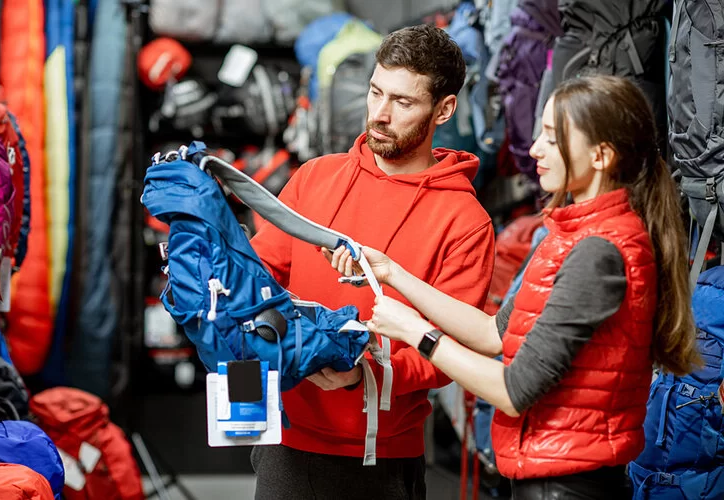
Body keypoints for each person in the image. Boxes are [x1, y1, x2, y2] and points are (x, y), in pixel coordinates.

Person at [328, 75, 701, 499]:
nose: (535, 149)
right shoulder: (568, 235)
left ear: (601, 155)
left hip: (568, 487)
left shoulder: (600, 253)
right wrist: (392, 272)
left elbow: (512, 392)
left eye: (552, 138)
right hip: (545, 479)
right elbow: (492, 334)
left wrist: (415, 331)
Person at [248, 24, 495, 499]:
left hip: (381, 459)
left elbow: (452, 354)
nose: (379, 114)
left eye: (402, 102)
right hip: (286, 443)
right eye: (375, 92)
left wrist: (364, 374)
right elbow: (262, 277)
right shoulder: (314, 178)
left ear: (443, 110)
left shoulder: (466, 221)